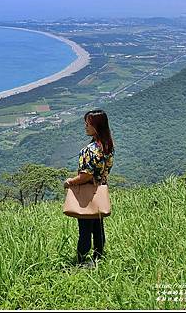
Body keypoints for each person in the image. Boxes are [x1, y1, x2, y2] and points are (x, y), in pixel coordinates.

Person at [63, 109, 114, 266]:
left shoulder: (90, 150)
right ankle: (98, 258)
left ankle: (80, 262)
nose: (85, 126)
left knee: (84, 229)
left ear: (96, 126)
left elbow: (86, 175)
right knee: (98, 227)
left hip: (87, 193)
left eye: (88, 123)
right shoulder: (107, 145)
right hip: (100, 190)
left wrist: (70, 181)